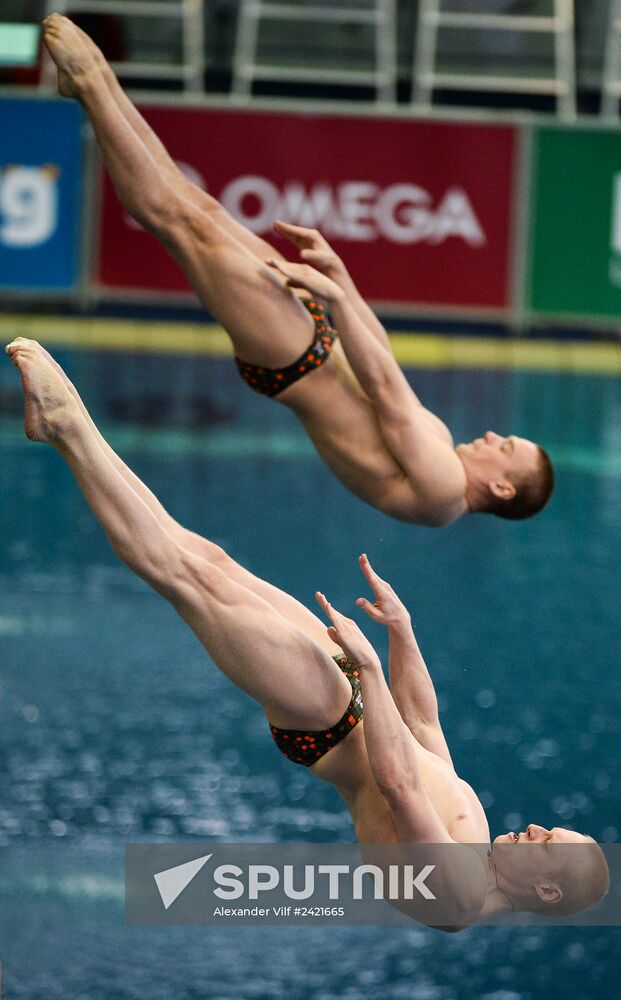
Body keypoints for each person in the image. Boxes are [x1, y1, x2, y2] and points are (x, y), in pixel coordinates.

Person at [5, 337, 605, 929]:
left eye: (548, 842)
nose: (537, 828)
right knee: (209, 561)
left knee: (186, 579)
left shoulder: (457, 897)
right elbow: (423, 733)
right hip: (353, 702)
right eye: (551, 829)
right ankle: (69, 424)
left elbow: (398, 785)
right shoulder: (477, 840)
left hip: (331, 722)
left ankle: (66, 428)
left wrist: (369, 669)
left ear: (547, 890)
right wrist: (404, 634)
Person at [40, 14, 554, 528]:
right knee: (199, 208)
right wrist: (342, 281)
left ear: (502, 486)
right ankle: (99, 83)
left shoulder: (443, 492)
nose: (492, 435)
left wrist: (334, 297)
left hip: (295, 358)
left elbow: (382, 385)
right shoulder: (441, 444)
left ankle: (90, 83)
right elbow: (383, 358)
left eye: (504, 446)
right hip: (316, 338)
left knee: (177, 223)